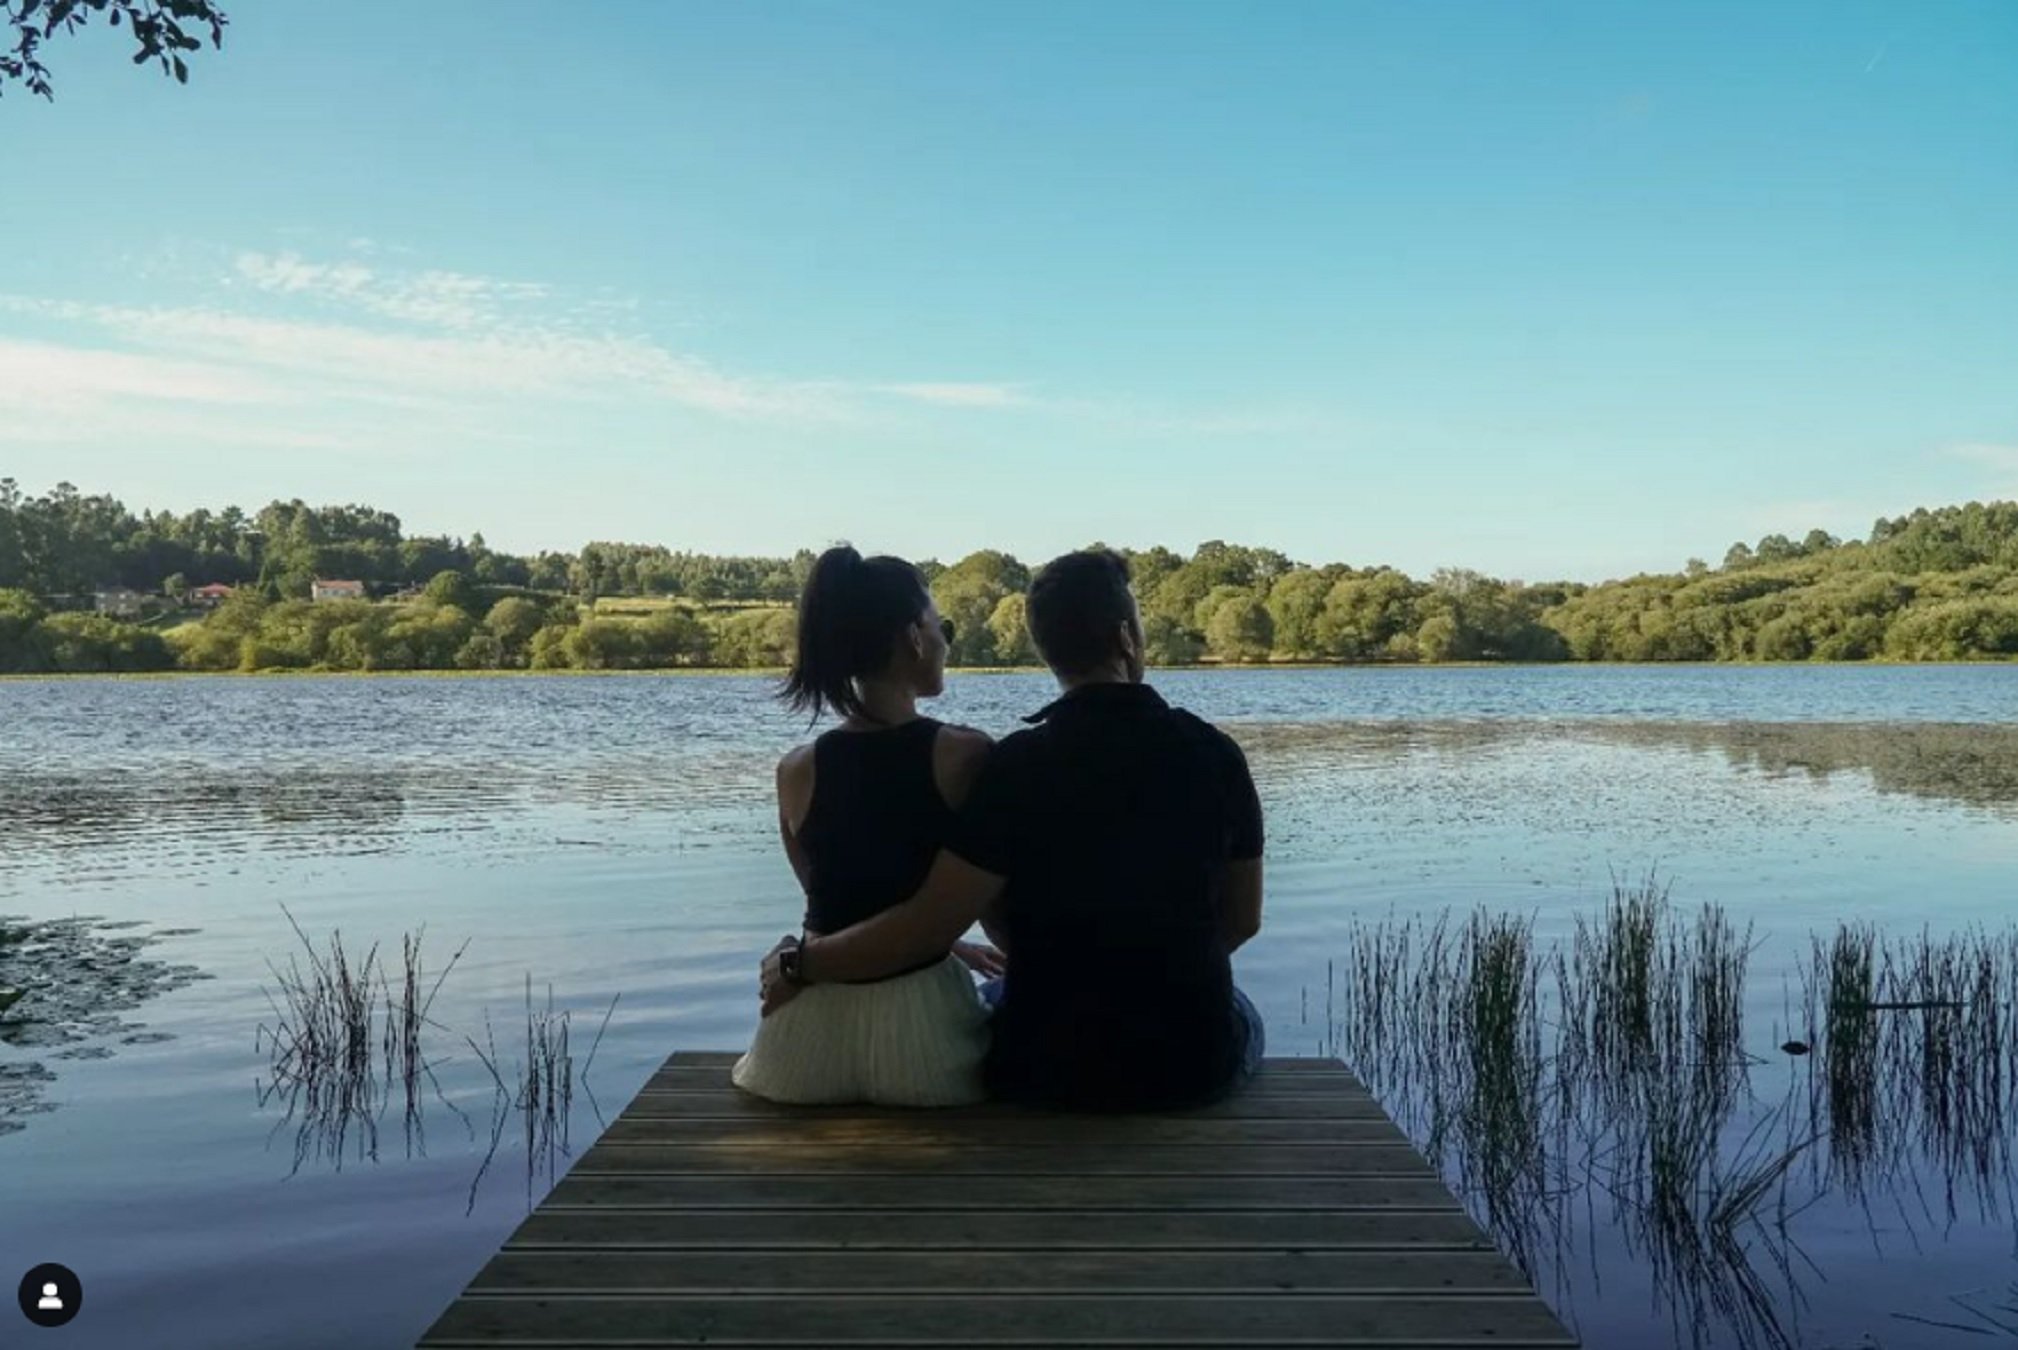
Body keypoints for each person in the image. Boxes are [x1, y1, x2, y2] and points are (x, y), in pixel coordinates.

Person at [762, 548, 1265, 1112]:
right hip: (1188, 1065)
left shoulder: (1013, 766)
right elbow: (1242, 920)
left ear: (1046, 650)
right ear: (1127, 637)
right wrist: (1154, 977)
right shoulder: (1217, 755)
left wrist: (801, 961)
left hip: (1046, 1064)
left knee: (1004, 993)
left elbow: (960, 917)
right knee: (1238, 1007)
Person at [731, 545, 1005, 1106]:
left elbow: (841, 901)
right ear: (913, 636)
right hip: (926, 1053)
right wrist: (941, 945)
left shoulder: (795, 770)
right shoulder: (965, 755)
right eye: (941, 625)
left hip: (796, 1054)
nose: (945, 642)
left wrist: (950, 944)